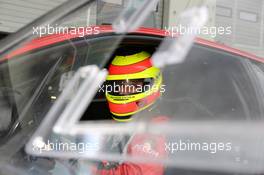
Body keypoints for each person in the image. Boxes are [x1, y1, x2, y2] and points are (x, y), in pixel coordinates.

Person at [94, 50, 168, 175]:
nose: (123, 90)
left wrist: (87, 166)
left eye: (132, 85)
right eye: (118, 85)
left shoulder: (155, 132)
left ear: (151, 85)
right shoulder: (121, 123)